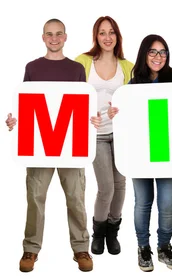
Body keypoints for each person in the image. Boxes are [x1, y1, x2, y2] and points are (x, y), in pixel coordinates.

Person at [107, 34, 172, 272]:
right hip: (141, 153)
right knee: (143, 203)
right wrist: (117, 116)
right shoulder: (133, 85)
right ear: (144, 55)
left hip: (171, 153)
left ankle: (164, 247)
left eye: (163, 52)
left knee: (167, 205)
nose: (158, 57)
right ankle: (143, 249)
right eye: (153, 52)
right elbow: (129, 123)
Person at [5, 18, 100, 273]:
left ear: (65, 37)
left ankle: (81, 248)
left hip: (71, 143)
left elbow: (83, 105)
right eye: (49, 34)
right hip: (40, 144)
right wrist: (14, 120)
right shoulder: (32, 68)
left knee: (76, 197)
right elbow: (26, 104)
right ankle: (31, 248)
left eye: (59, 34)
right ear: (43, 37)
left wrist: (93, 118)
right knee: (35, 198)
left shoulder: (76, 69)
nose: (54, 38)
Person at [75, 15, 134, 256]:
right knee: (106, 187)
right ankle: (98, 232)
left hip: (120, 134)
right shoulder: (82, 62)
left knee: (120, 185)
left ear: (117, 36)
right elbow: (72, 97)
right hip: (96, 134)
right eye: (102, 33)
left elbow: (133, 101)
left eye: (111, 32)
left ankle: (113, 230)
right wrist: (87, 116)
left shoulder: (127, 66)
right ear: (95, 36)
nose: (107, 37)